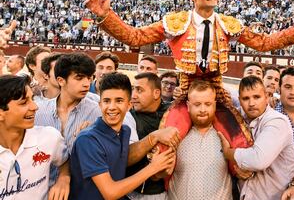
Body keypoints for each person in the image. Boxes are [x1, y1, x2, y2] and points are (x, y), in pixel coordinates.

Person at [85, 0, 294, 98]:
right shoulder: (176, 22)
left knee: (238, 135)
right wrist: (107, 16)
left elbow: (263, 43)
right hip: (186, 87)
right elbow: (135, 38)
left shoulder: (228, 23)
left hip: (217, 87)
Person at [69, 72, 177, 200]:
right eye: (106, 101)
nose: (112, 107)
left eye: (119, 100)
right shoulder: (88, 139)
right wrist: (153, 167)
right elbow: (110, 192)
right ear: (100, 105)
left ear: (129, 105)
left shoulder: (125, 131)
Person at [219, 76, 294, 200]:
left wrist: (228, 153)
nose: (251, 103)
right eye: (246, 98)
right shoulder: (237, 117)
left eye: (256, 97)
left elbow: (258, 160)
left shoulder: (277, 121)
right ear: (239, 99)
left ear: (266, 97)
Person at [35, 52, 102, 184]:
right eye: (79, 78)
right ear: (61, 80)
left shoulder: (98, 113)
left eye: (89, 78)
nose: (86, 84)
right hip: (40, 190)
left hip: (80, 189)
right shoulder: (39, 111)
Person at [0, 75, 70, 200]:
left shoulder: (49, 138)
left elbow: (65, 161)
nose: (35, 107)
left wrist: (64, 178)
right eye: (24, 102)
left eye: (32, 99)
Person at [167, 80, 234, 200]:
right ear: (188, 106)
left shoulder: (227, 136)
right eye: (197, 104)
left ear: (214, 105)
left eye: (208, 104)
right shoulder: (176, 136)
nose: (203, 109)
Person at [127, 72, 172, 200]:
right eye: (133, 89)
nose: (133, 95)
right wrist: (154, 137)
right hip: (130, 192)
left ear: (156, 93)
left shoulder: (173, 111)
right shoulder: (128, 117)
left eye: (139, 90)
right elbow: (125, 158)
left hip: (164, 192)